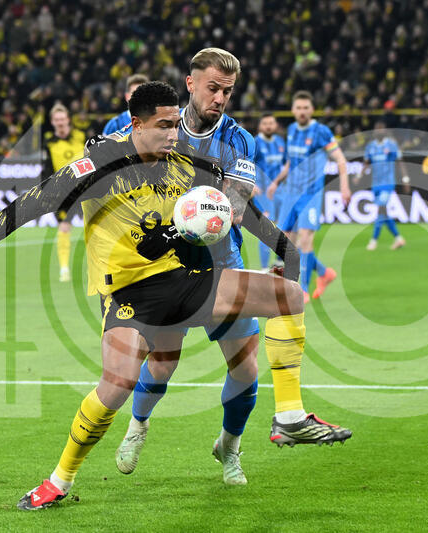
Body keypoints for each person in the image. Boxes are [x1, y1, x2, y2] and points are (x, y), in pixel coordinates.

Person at [0, 82, 306, 510]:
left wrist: (287, 252)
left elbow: (234, 209)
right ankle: (59, 480)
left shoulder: (186, 162)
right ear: (136, 124)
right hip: (131, 294)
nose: (173, 134)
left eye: (175, 124)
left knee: (290, 296)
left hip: (190, 278)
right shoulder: (99, 165)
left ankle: (289, 414)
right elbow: (31, 203)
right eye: (163, 126)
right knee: (118, 383)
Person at [114, 50, 352, 486]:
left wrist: (266, 237)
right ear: (190, 83)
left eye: (228, 91)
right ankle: (138, 425)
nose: (220, 98)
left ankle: (230, 447)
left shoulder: (239, 139)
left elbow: (238, 202)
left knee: (245, 370)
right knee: (163, 364)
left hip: (223, 265)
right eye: (213, 88)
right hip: (169, 270)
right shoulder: (160, 128)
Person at [267, 91, 351, 302]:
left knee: (305, 239)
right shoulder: (292, 130)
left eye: (306, 108)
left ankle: (302, 290)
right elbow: (290, 162)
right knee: (288, 244)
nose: (302, 111)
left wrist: (344, 187)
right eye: (299, 108)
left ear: (312, 110)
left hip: (311, 194)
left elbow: (341, 159)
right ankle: (324, 272)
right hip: (291, 193)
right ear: (293, 110)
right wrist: (276, 182)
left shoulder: (321, 132)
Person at [44, 103, 87, 282]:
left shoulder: (81, 136)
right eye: (57, 120)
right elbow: (46, 170)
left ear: (68, 119)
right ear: (52, 122)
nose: (60, 122)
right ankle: (64, 269)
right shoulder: (49, 143)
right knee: (64, 227)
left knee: (96, 226)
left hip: (86, 188)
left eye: (62, 119)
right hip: (63, 193)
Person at [361, 122, 407, 250]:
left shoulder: (391, 145)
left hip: (387, 183)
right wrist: (359, 175)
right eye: (377, 129)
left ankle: (373, 241)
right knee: (384, 213)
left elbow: (400, 161)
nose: (379, 131)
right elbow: (366, 162)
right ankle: (398, 238)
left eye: (381, 129)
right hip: (376, 184)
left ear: (385, 131)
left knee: (380, 209)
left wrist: (405, 178)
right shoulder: (370, 146)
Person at [252, 113, 288, 269]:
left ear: (275, 125)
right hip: (262, 193)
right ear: (260, 126)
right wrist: (252, 184)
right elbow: (245, 163)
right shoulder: (255, 142)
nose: (268, 126)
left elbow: (287, 164)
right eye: (265, 123)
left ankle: (279, 261)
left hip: (279, 191)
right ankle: (264, 268)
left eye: (271, 123)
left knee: (284, 226)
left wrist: (280, 181)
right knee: (266, 228)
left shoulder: (280, 142)